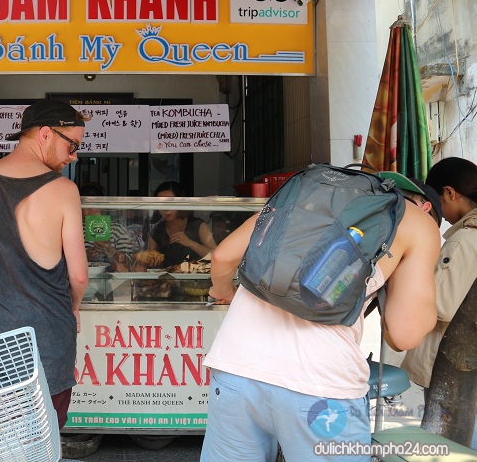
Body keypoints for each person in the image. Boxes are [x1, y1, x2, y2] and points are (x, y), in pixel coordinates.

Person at [200, 178, 441, 461]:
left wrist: (223, 291)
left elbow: (222, 257)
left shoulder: (308, 191)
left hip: (236, 368)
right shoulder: (418, 222)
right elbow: (403, 335)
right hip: (321, 387)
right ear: (426, 207)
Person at [0, 99, 90, 430]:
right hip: (49, 341)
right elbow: (79, 275)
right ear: (45, 134)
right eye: (72, 146)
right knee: (43, 437)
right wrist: (74, 307)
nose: (74, 156)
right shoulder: (64, 190)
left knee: (6, 438)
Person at [401, 159, 477, 421]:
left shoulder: (465, 240)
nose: (440, 212)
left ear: (450, 192)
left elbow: (441, 306)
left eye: (439, 200)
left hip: (452, 363)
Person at [147, 180, 216, 268]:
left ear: (181, 203)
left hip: (196, 278)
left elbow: (216, 256)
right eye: (160, 203)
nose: (165, 208)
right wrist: (153, 262)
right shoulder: (156, 231)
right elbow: (150, 263)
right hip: (167, 280)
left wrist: (190, 243)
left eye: (170, 203)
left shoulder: (198, 226)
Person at [79, 182, 145, 271]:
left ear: (101, 206)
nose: (86, 212)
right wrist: (85, 255)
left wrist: (110, 250)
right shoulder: (74, 229)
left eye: (91, 207)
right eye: (83, 207)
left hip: (113, 282)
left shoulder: (116, 229)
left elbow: (129, 263)